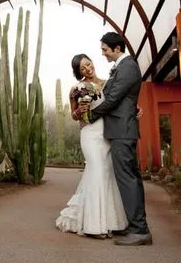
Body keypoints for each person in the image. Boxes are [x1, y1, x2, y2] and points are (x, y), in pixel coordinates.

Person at [84, 32, 152, 246]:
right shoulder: (121, 68)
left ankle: (140, 230)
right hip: (120, 130)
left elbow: (113, 98)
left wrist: (92, 115)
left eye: (105, 49)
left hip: (123, 131)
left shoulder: (128, 67)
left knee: (127, 179)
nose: (102, 54)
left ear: (117, 48)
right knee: (130, 178)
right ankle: (136, 226)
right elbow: (114, 96)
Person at [55, 53, 128, 238]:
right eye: (82, 68)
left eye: (88, 64)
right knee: (96, 172)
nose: (88, 69)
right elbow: (73, 115)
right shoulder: (76, 89)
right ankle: (93, 226)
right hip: (89, 134)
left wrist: (134, 111)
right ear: (79, 73)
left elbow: (117, 104)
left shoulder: (107, 83)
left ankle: (112, 222)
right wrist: (80, 110)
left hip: (107, 134)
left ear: (92, 62)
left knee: (107, 174)